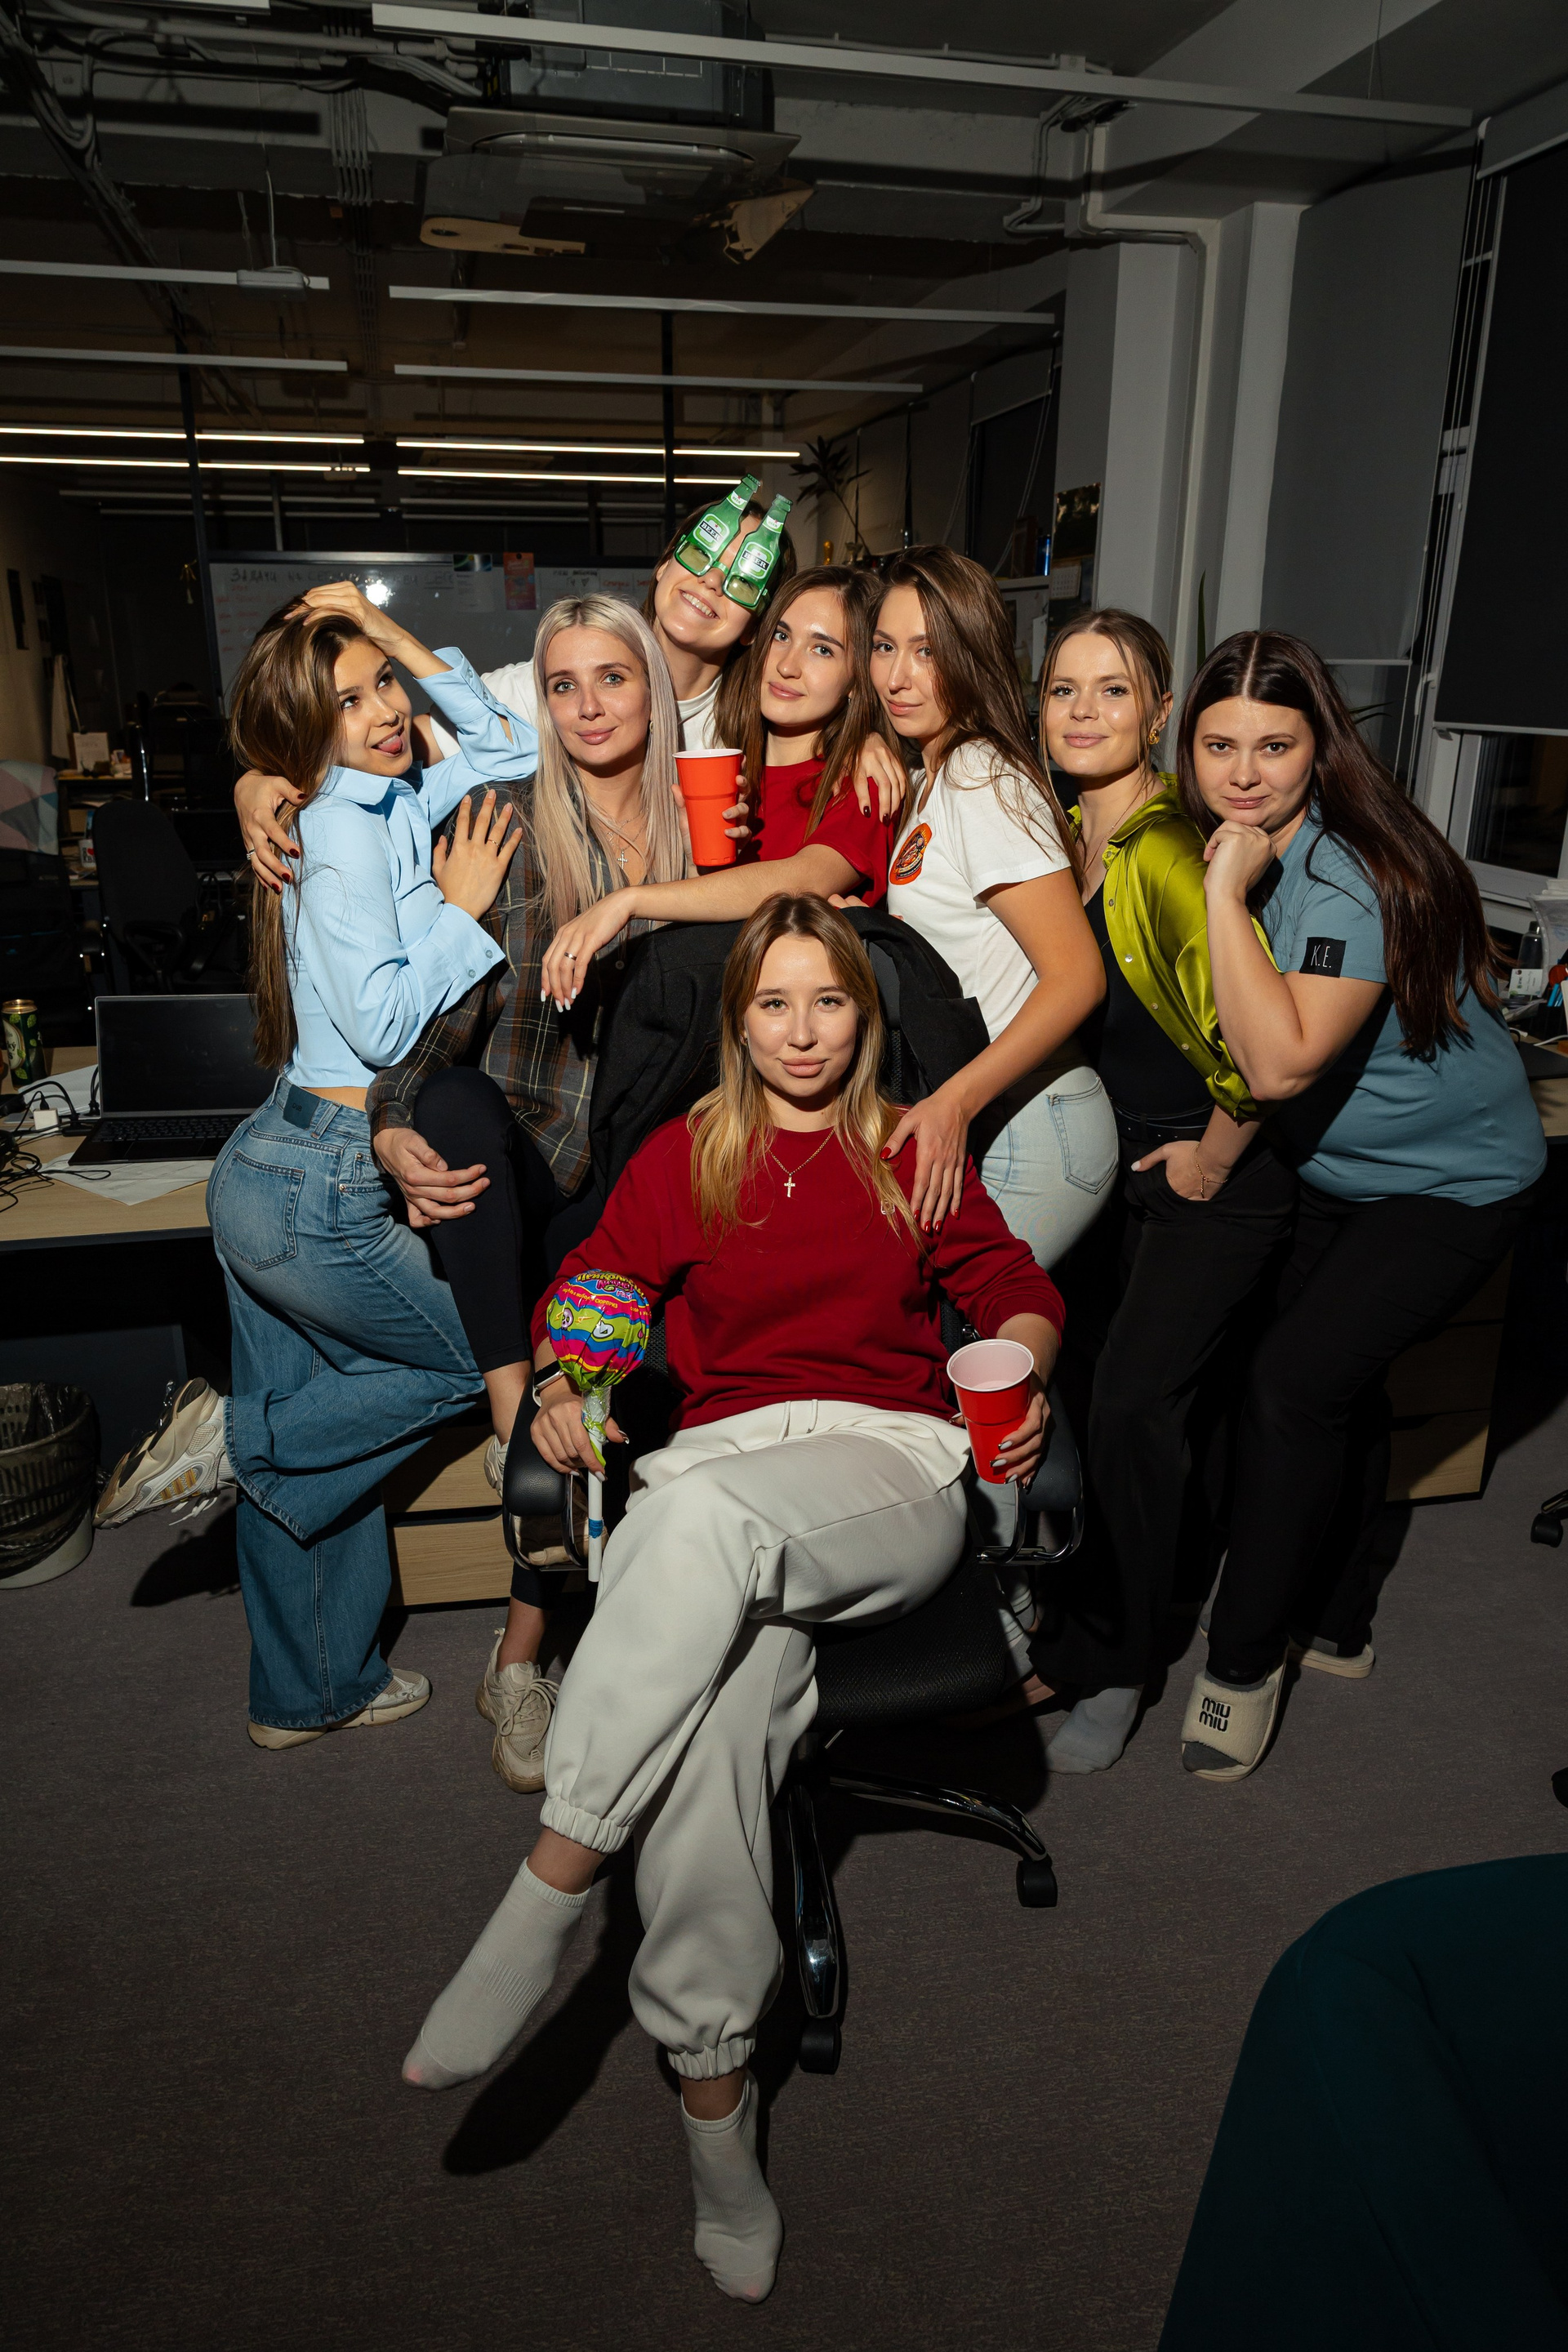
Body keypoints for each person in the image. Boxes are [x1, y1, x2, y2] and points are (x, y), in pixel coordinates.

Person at [399, 896, 1064, 2304]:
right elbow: (599, 1285)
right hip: (722, 1469)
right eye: (775, 1005)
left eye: (830, 1002)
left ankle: (549, 1885)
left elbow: (1012, 1288)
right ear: (739, 1022)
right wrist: (571, 1378)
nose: (803, 1033)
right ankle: (717, 2111)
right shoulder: (686, 1155)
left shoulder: (913, 1146)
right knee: (708, 1743)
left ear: (865, 1017)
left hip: (883, 1468)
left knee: (688, 1520)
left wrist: (1020, 1363)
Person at [95, 584, 534, 1748]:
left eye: (383, 684)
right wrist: (460, 910)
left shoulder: (388, 795)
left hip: (278, 1163)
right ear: (303, 728)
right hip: (322, 1185)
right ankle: (236, 1443)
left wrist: (389, 634)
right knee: (481, 1362)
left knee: (318, 1407)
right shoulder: (341, 833)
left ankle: (308, 1692)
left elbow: (510, 744)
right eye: (347, 701)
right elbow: (385, 1029)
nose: (385, 709)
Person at [1178, 631, 1545, 1780]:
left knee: (1291, 1388)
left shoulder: (1340, 875)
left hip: (1452, 1182)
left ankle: (1241, 1667)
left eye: (1275, 746)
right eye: (1220, 746)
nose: (1245, 773)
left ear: (1319, 748)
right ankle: (1337, 1620)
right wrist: (1208, 1161)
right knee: (1334, 1385)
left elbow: (1279, 1061)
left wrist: (1223, 893)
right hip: (1339, 1167)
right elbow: (1250, 1053)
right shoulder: (1246, 846)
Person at [1029, 610, 1298, 1775]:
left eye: (1113, 689)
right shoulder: (1062, 833)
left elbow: (1261, 1047)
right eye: (1064, 689)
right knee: (1103, 1401)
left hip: (1211, 1172)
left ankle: (1119, 1664)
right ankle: (1112, 1608)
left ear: (1158, 713)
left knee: (1133, 1411)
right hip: (1114, 1165)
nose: (1084, 710)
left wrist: (1210, 1157)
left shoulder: (1168, 851)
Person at [232, 501, 904, 884]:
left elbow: (825, 711)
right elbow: (399, 747)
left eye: (741, 579)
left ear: (757, 622)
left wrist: (869, 738)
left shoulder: (748, 719)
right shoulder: (552, 683)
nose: (709, 584)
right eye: (702, 556)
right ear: (664, 564)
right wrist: (260, 778)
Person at [868, 546, 1115, 1265]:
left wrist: (956, 1102)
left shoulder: (979, 776)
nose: (897, 676)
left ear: (971, 654)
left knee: (968, 1327)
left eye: (927, 651)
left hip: (1034, 1122)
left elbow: (1078, 976)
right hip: (998, 1109)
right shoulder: (935, 773)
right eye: (884, 647)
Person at [536, 564, 899, 1004]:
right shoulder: (726, 769)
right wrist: (698, 864)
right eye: (781, 636)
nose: (788, 665)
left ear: (858, 679)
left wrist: (627, 901)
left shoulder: (863, 780)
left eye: (822, 650)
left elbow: (804, 878)